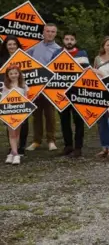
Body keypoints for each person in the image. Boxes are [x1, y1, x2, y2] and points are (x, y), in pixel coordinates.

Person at [52, 32, 90, 158]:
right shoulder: (57, 53)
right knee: (64, 120)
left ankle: (78, 148)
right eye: (67, 39)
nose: (69, 41)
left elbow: (87, 73)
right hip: (61, 94)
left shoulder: (82, 54)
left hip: (78, 93)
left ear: (75, 41)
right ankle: (68, 146)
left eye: (71, 39)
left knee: (78, 121)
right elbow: (51, 72)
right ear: (63, 40)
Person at [25, 23, 61, 151]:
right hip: (34, 85)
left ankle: (51, 140)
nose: (50, 33)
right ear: (43, 32)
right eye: (47, 31)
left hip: (49, 86)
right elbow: (24, 58)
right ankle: (36, 141)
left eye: (52, 31)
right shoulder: (34, 47)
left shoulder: (58, 49)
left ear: (55, 33)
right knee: (36, 115)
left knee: (50, 115)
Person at [1, 36, 29, 156]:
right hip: (7, 93)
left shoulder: (25, 58)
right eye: (9, 44)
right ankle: (13, 149)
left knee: (23, 121)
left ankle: (21, 146)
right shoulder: (1, 59)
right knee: (10, 122)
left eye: (14, 44)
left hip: (22, 92)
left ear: (17, 45)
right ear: (6, 46)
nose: (12, 46)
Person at [3, 65, 30, 165]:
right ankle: (15, 154)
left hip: (20, 114)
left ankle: (12, 153)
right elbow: (3, 100)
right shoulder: (6, 86)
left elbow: (26, 99)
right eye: (11, 74)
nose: (13, 75)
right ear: (7, 75)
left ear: (19, 74)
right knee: (12, 134)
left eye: (15, 73)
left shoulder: (23, 85)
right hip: (10, 114)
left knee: (17, 134)